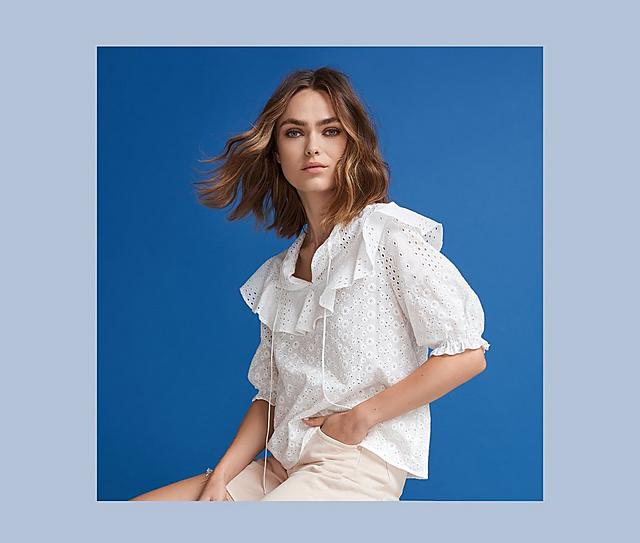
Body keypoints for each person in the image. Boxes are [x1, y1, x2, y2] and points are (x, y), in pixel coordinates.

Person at [130, 67, 490, 502]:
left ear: (351, 144)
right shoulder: (281, 274)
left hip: (353, 464)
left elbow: (467, 354)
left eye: (331, 131)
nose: (313, 147)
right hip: (280, 466)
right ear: (276, 152)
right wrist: (222, 475)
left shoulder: (386, 236)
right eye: (295, 132)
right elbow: (270, 397)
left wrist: (359, 419)